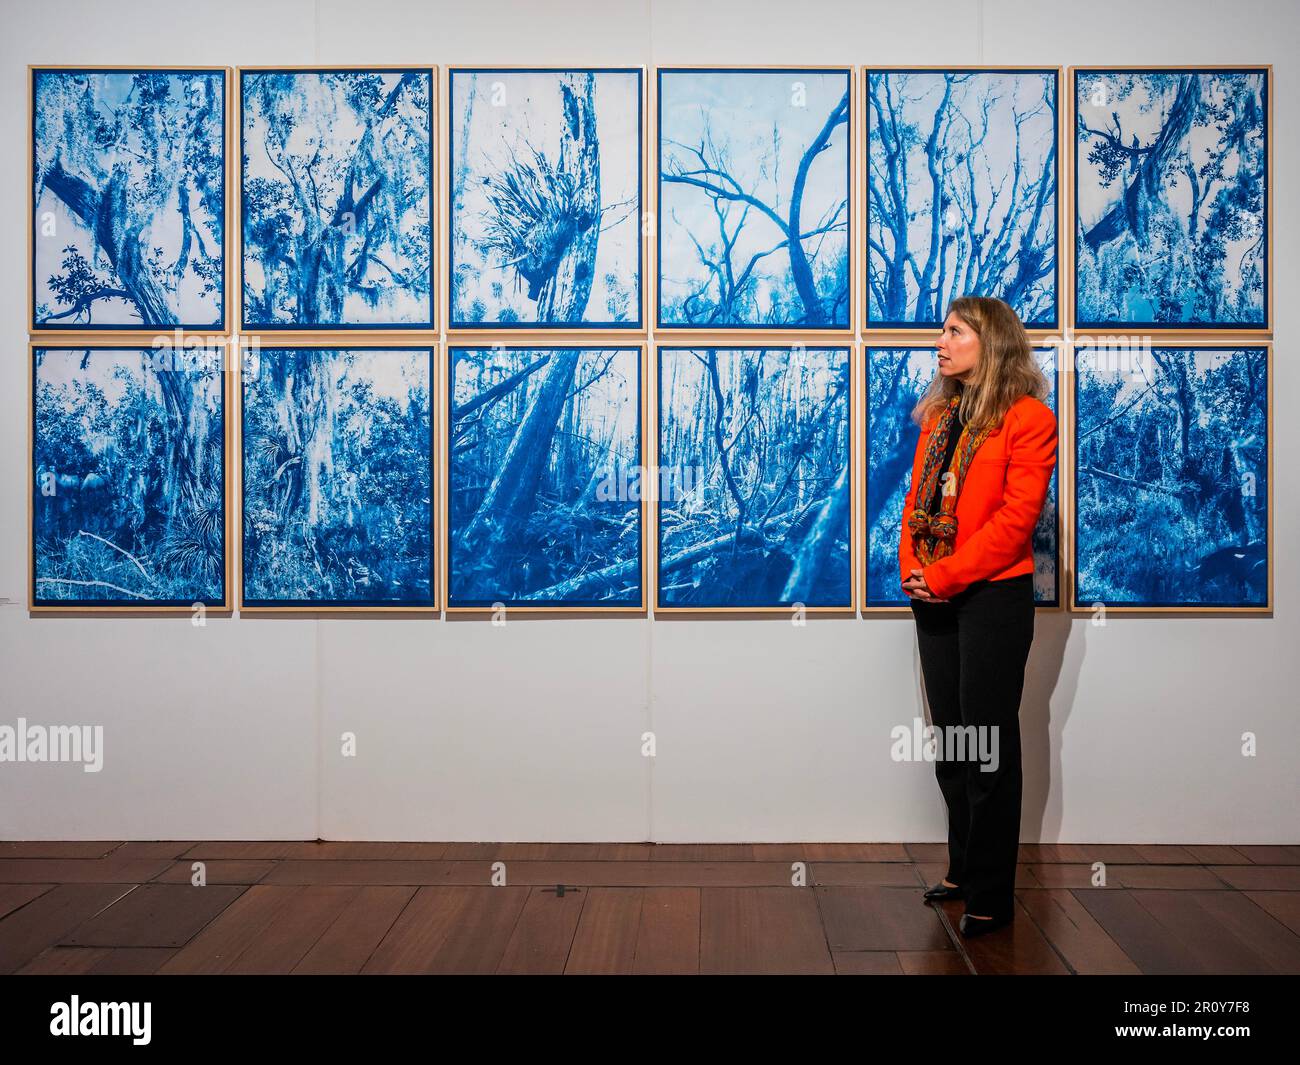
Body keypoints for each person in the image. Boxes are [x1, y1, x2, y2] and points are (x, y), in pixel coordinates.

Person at [898, 295, 1057, 938]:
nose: (940, 342)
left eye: (954, 331)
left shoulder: (1029, 419)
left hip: (992, 598)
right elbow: (916, 503)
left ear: (989, 343)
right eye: (943, 331)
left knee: (988, 745)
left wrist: (944, 575)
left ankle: (993, 893)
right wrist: (915, 570)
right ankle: (962, 869)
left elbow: (1015, 524)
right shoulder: (939, 418)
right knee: (953, 744)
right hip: (932, 593)